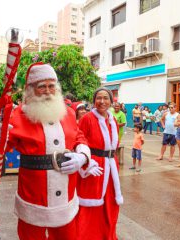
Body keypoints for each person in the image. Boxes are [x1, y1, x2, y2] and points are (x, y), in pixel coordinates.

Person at [0, 63, 91, 240]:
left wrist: (82, 156)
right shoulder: (18, 114)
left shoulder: (67, 113)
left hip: (66, 191)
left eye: (51, 86)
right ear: (31, 89)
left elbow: (79, 137)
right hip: (33, 194)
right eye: (41, 86)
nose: (47, 90)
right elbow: (2, 150)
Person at [76, 87, 123, 240]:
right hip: (93, 167)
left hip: (111, 166)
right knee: (90, 205)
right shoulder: (87, 119)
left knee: (110, 203)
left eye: (105, 98)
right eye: (98, 98)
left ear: (111, 101)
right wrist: (87, 164)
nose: (102, 101)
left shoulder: (113, 119)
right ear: (94, 100)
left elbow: (114, 145)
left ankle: (107, 235)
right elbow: (77, 142)